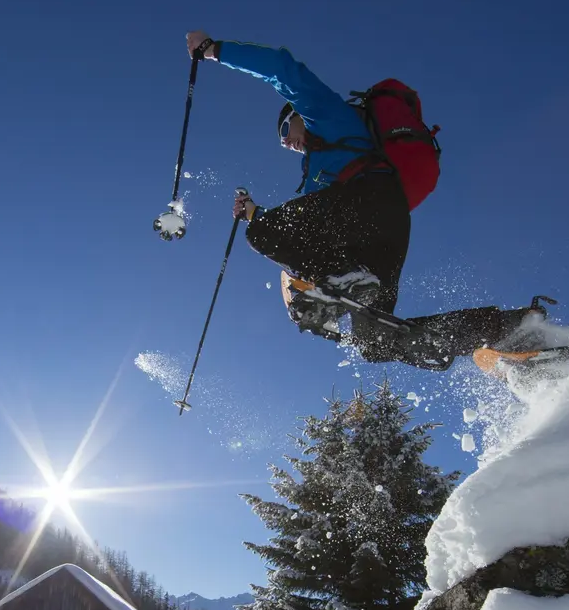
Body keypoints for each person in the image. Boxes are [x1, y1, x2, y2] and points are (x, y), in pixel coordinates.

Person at [185, 31, 540, 368]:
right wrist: (254, 212)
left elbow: (282, 69)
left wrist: (215, 50)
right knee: (375, 342)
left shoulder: (326, 114)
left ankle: (341, 278)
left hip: (370, 197)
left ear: (296, 115)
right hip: (386, 225)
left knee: (263, 233)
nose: (284, 142)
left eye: (284, 130)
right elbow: (309, 227)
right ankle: (510, 330)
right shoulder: (318, 175)